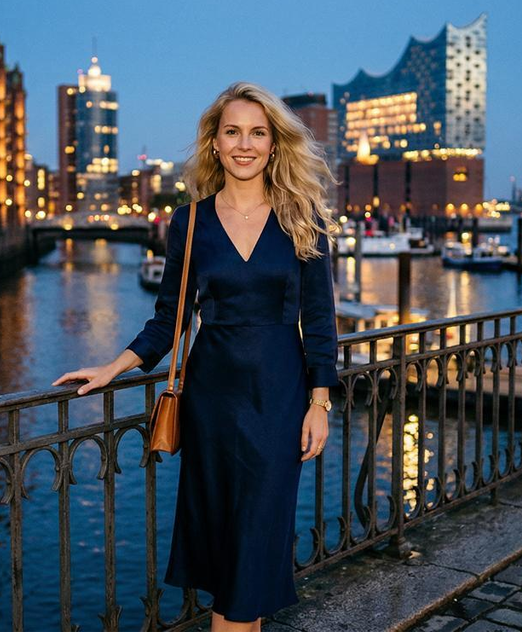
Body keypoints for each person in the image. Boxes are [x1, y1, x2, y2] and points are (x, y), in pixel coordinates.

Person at [53, 81, 341, 631]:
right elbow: (171, 319)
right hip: (213, 405)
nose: (245, 144)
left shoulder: (305, 217)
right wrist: (113, 366)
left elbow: (322, 322)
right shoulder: (189, 222)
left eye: (258, 133)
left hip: (279, 401)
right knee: (231, 561)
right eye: (232, 132)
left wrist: (319, 401)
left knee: (253, 551)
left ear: (275, 145)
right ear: (215, 143)